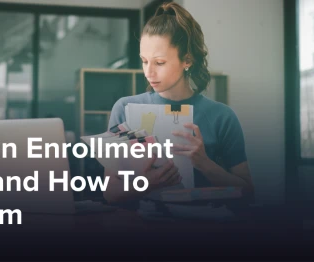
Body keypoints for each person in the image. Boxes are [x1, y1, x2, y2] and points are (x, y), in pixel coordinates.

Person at [103, 2, 254, 204]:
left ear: (187, 60)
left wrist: (204, 164)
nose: (148, 73)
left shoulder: (222, 117)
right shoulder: (124, 109)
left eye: (159, 62)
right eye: (144, 61)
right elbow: (109, 192)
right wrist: (146, 183)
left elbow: (247, 191)